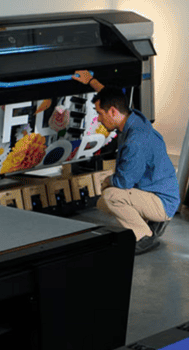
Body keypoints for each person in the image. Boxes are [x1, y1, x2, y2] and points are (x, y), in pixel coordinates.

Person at [73, 70, 178, 255]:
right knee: (106, 193)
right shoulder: (133, 118)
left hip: (162, 201)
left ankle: (144, 236)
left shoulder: (135, 141)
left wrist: (107, 182)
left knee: (110, 196)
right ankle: (150, 221)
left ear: (112, 112)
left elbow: (124, 183)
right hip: (158, 190)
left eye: (100, 114)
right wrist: (91, 81)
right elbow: (112, 98)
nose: (98, 119)